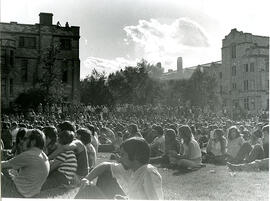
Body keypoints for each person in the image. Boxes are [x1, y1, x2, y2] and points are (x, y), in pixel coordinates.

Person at [78, 137, 164, 200]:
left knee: (88, 189)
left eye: (123, 155)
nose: (120, 159)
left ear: (135, 156)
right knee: (97, 180)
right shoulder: (132, 169)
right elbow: (105, 165)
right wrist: (87, 179)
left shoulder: (148, 172)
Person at [1, 129, 50, 198]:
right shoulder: (43, 156)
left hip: (15, 192)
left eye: (25, 138)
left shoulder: (30, 154)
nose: (21, 141)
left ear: (33, 141)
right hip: (28, 194)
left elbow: (3, 165)